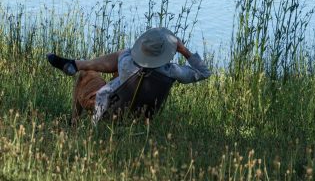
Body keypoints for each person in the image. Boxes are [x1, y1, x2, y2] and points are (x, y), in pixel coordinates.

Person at [47, 27, 211, 124]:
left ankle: (73, 121)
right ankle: (76, 64)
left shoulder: (127, 62)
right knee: (117, 68)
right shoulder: (172, 71)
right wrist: (184, 50)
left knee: (86, 73)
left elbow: (122, 56)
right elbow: (204, 73)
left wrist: (133, 54)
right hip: (145, 114)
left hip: (110, 110)